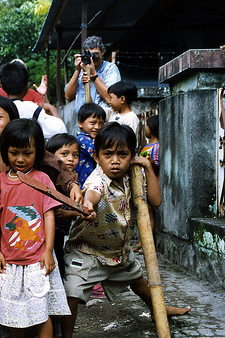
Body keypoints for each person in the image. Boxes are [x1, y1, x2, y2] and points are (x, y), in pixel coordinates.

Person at [0, 95, 81, 337]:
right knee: (7, 306)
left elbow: (63, 175)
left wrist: (73, 186)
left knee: (39, 303)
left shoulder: (40, 158)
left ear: (13, 121)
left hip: (38, 246)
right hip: (2, 249)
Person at [61, 122, 191, 338]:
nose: (115, 161)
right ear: (96, 156)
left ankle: (158, 310)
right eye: (108, 154)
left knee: (139, 281)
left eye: (122, 154)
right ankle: (65, 335)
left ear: (132, 156)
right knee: (72, 294)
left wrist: (148, 167)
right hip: (87, 250)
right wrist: (88, 204)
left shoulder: (133, 176)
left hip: (117, 249)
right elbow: (92, 193)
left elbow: (156, 202)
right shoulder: (98, 180)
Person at [0, 118, 71, 337]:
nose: (20, 159)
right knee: (14, 318)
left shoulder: (42, 180)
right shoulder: (0, 181)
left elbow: (48, 215)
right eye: (14, 153)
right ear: (6, 151)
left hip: (37, 262)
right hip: (10, 262)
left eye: (27, 153)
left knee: (42, 315)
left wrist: (48, 250)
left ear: (38, 152)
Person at [0, 60, 67, 139]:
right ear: (27, 86)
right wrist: (51, 108)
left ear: (2, 87)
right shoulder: (32, 109)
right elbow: (60, 130)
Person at [45, 133, 81, 277]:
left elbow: (80, 210)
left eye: (75, 155)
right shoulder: (48, 178)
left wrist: (67, 214)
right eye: (64, 154)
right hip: (48, 227)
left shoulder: (75, 180)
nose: (70, 159)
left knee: (59, 254)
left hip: (61, 228)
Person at [64, 36, 121, 115]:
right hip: (83, 120)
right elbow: (68, 96)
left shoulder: (110, 69)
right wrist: (77, 70)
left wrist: (94, 74)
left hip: (101, 120)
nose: (93, 58)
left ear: (103, 51)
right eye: (89, 55)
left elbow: (109, 98)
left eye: (96, 54)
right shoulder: (82, 68)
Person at [133, 115, 159, 254]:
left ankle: (148, 242)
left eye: (147, 126)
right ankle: (142, 241)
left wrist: (149, 163)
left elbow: (156, 166)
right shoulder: (147, 146)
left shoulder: (157, 146)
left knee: (148, 212)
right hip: (141, 182)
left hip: (150, 182)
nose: (145, 129)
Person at [76, 103, 106, 188]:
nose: (97, 127)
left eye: (101, 123)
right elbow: (100, 153)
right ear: (80, 123)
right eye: (93, 123)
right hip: (84, 182)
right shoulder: (83, 139)